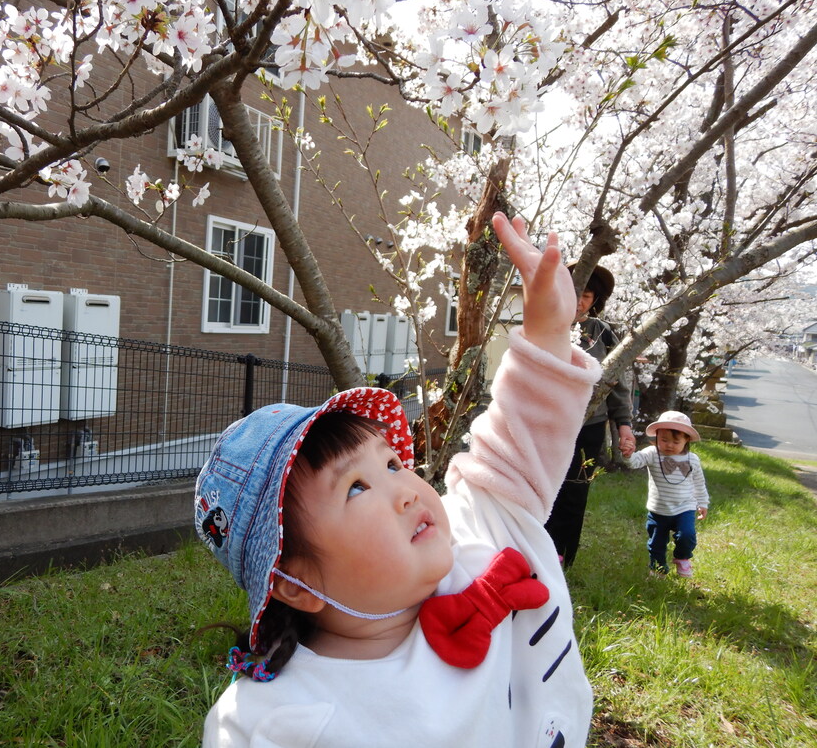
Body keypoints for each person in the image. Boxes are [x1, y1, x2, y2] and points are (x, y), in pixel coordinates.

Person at [193, 212, 602, 747]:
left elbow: (517, 440)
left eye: (391, 465)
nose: (405, 489)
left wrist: (547, 331)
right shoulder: (280, 722)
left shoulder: (478, 538)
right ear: (296, 582)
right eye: (356, 487)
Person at [544, 263, 636, 568]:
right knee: (543, 485)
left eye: (586, 295)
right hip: (547, 422)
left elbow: (618, 384)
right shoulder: (544, 326)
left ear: (594, 299)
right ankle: (532, 548)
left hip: (589, 424)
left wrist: (623, 426)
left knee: (575, 487)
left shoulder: (603, 333)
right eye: (574, 294)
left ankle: (562, 554)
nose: (579, 301)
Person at [624, 411, 710, 577]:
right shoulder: (652, 454)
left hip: (685, 507)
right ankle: (658, 568)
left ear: (686, 440)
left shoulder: (692, 460)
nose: (669, 445)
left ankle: (682, 558)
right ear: (656, 438)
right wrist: (628, 455)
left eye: (675, 441)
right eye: (664, 440)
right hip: (659, 509)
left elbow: (699, 483)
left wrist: (703, 503)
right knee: (656, 543)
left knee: (687, 535)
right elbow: (635, 462)